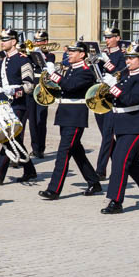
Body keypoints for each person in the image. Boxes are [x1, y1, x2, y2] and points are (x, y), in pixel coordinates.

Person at [99, 44, 139, 214]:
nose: (128, 61)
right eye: (127, 58)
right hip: (122, 124)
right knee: (132, 164)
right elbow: (116, 98)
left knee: (120, 161)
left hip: (136, 125)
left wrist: (114, 86)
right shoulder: (126, 75)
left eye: (132, 58)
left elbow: (131, 99)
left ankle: (115, 201)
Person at [37, 39, 101, 200]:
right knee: (76, 151)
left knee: (63, 153)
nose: (69, 54)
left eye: (72, 52)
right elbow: (62, 88)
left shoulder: (86, 72)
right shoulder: (71, 69)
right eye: (69, 51)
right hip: (65, 114)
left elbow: (70, 86)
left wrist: (55, 75)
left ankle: (54, 189)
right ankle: (94, 182)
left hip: (75, 117)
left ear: (82, 54)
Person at [0, 29, 38, 185]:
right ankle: (30, 170)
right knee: (15, 139)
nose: (2, 42)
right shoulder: (2, 61)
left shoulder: (23, 60)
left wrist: (16, 90)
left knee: (8, 137)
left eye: (5, 40)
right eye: (1, 39)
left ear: (13, 41)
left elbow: (29, 86)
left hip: (18, 104)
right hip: (3, 104)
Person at [94, 27, 126, 179]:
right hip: (99, 96)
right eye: (105, 37)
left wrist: (106, 62)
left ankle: (100, 170)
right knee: (105, 135)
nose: (106, 40)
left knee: (107, 135)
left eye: (110, 37)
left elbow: (120, 73)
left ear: (117, 38)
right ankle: (119, 162)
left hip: (111, 98)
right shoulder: (104, 54)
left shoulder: (122, 55)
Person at [26, 30, 55, 158]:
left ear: (45, 42)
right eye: (35, 41)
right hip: (31, 88)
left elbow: (49, 71)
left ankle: (41, 148)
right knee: (31, 120)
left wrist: (40, 56)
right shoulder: (30, 54)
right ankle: (35, 147)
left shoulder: (50, 56)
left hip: (43, 89)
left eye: (39, 41)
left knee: (40, 119)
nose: (37, 43)